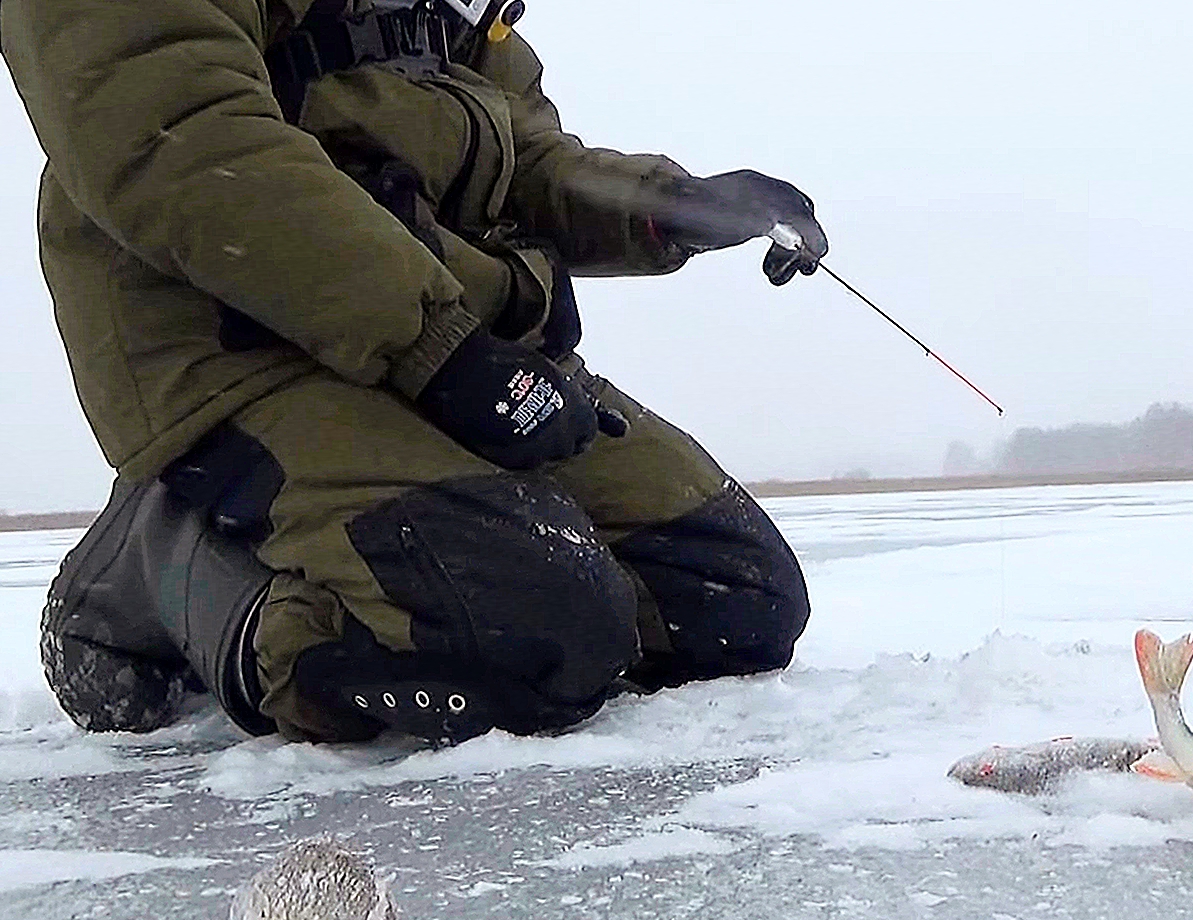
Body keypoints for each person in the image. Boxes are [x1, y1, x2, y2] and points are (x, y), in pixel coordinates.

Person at [1, 0, 826, 744]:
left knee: (732, 600)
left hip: (434, 337)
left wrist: (669, 207)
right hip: (238, 352)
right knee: (519, 634)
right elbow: (182, 142)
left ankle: (424, 524)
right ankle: (158, 563)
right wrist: (442, 352)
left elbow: (521, 153)